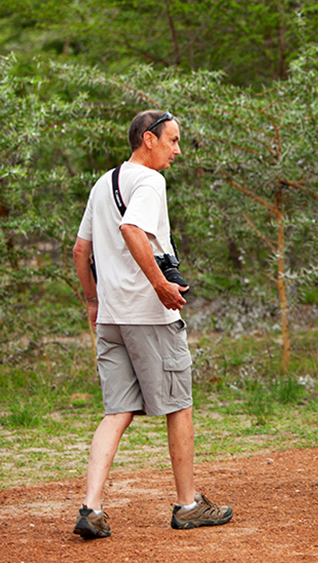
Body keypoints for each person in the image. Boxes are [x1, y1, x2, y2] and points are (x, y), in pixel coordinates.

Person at [71, 110, 232, 539]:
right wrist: (161, 284)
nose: (177, 150)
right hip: (149, 315)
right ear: (148, 139)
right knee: (178, 403)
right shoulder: (150, 182)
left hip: (111, 316)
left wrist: (92, 301)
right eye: (173, 141)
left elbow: (79, 250)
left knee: (117, 410)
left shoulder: (103, 183)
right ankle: (188, 504)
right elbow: (131, 229)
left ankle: (91, 506)